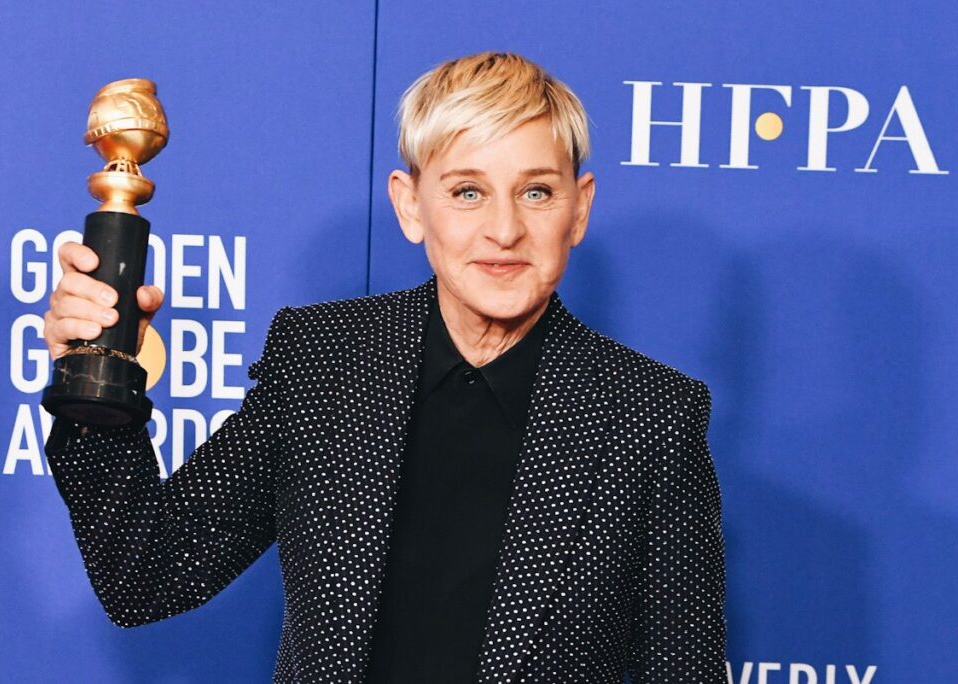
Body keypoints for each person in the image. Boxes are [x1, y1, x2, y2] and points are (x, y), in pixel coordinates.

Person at [44, 51, 726, 683]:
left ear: (579, 208)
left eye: (537, 192)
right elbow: (149, 574)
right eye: (467, 191)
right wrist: (96, 384)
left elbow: (683, 670)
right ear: (409, 204)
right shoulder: (323, 361)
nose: (505, 231)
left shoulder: (651, 416)